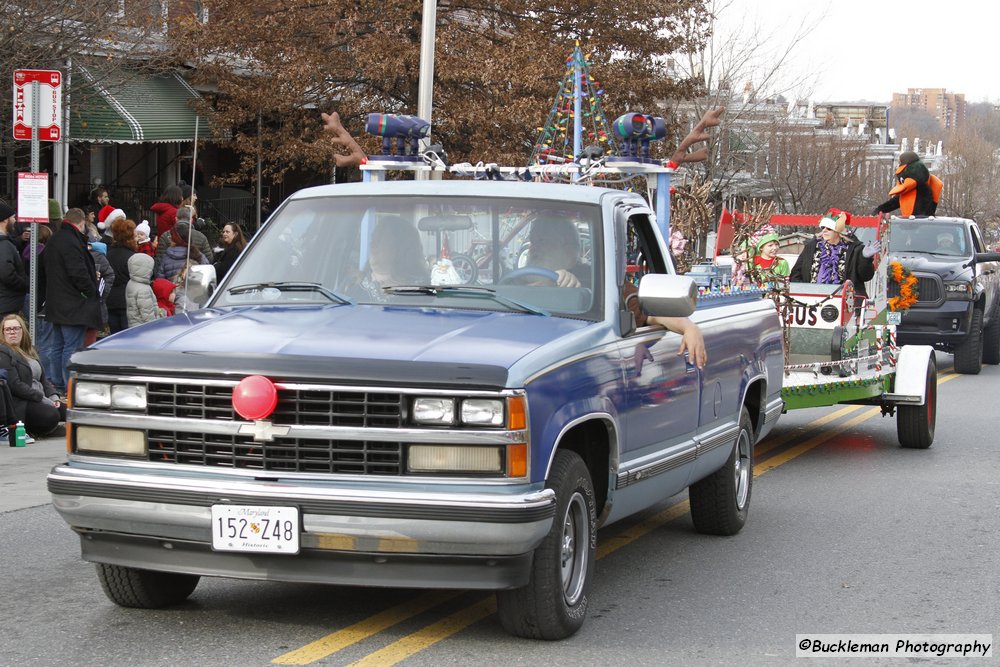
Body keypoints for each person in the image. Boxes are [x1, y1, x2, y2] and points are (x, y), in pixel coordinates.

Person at [529, 216, 707, 367]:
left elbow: (651, 310)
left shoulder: (600, 281)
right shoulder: (509, 278)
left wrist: (689, 328)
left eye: (545, 242)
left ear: (571, 249)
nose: (535, 248)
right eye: (534, 241)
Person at [42, 207, 101, 394]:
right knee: (71, 347)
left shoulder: (56, 239)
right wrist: (92, 291)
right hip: (73, 304)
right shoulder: (71, 242)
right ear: (82, 223)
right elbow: (78, 273)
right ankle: (69, 387)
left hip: (57, 301)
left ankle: (57, 384)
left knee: (57, 346)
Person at [0, 313, 66, 438]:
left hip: (40, 398)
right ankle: (39, 429)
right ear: (3, 333)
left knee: (68, 411)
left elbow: (43, 380)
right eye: (8, 329)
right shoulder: (3, 353)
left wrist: (53, 397)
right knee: (51, 415)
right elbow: (15, 385)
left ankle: (51, 428)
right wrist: (41, 398)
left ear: (22, 331)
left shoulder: (30, 351)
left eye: (16, 328)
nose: (12, 332)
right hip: (23, 402)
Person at [790, 208, 877, 297]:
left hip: (844, 303)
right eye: (823, 227)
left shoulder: (854, 249)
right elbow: (795, 275)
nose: (824, 230)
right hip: (814, 301)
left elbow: (866, 276)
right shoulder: (811, 247)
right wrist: (802, 295)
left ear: (839, 232)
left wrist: (865, 259)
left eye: (829, 228)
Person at [346, 217, 428, 301]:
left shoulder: (424, 293)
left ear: (401, 249)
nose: (372, 245)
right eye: (373, 239)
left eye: (380, 240)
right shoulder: (355, 287)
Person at [872, 151, 943, 218]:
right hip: (908, 224)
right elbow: (893, 203)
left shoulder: (924, 190)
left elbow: (925, 209)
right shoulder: (906, 192)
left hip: (921, 225)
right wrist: (879, 209)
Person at [106, 217, 136, 333]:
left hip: (111, 300)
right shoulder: (132, 257)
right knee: (127, 335)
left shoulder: (109, 254)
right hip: (126, 301)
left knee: (114, 335)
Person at [0, 200, 28, 318]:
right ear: (5, 220)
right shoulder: (4, 245)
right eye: (13, 217)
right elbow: (6, 273)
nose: (15, 221)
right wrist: (24, 284)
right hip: (6, 303)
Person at [125, 254, 159, 327]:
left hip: (133, 324)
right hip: (143, 327)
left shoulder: (132, 282)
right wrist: (155, 327)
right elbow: (147, 314)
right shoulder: (143, 289)